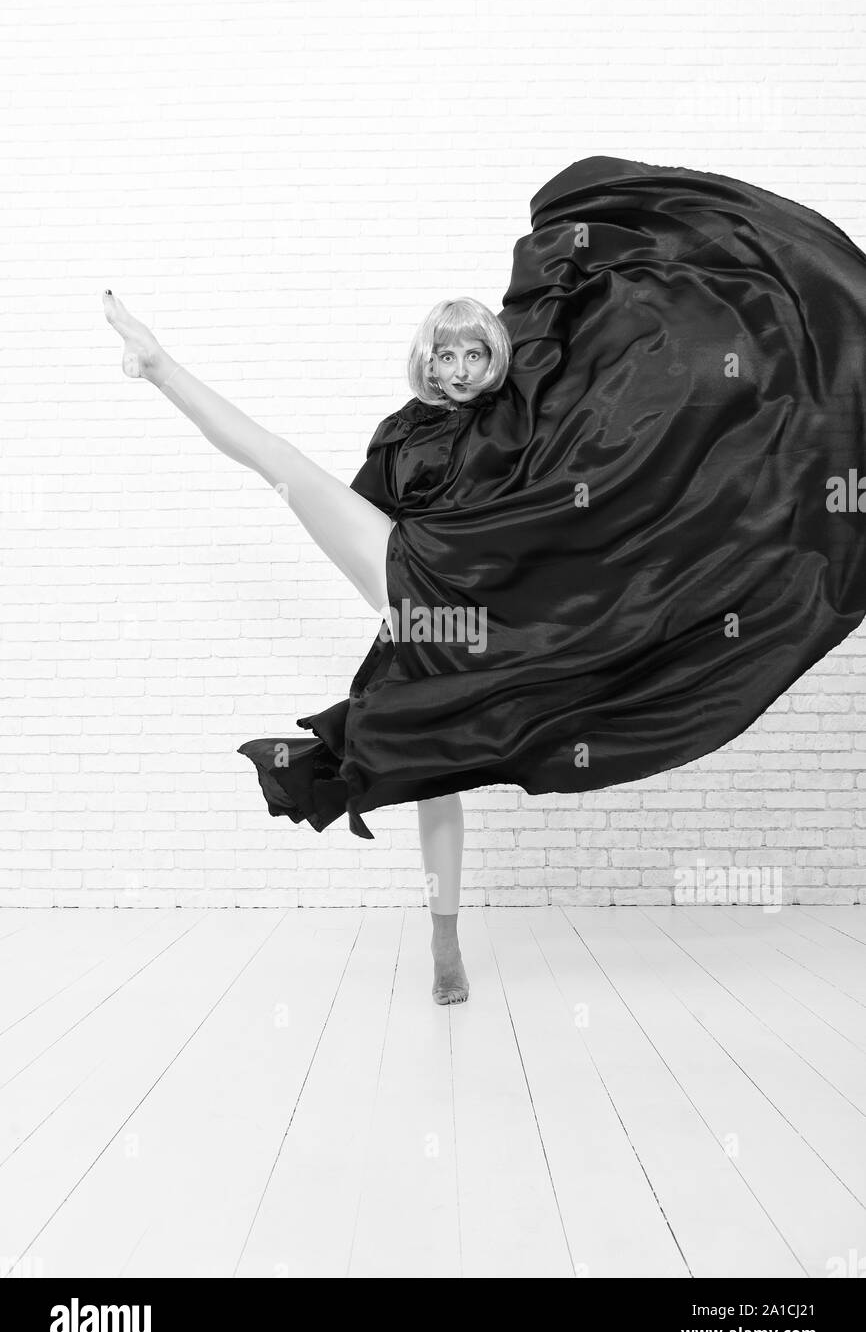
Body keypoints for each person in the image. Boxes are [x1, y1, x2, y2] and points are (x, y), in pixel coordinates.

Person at [104, 155, 866, 1007]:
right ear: (425, 363)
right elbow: (366, 508)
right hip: (416, 581)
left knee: (442, 756)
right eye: (445, 356)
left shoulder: (524, 409)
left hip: (490, 605)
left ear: (494, 357)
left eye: (474, 353)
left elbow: (575, 342)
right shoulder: (401, 434)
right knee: (282, 468)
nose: (460, 369)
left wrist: (565, 227)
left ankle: (444, 917)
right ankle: (444, 938)